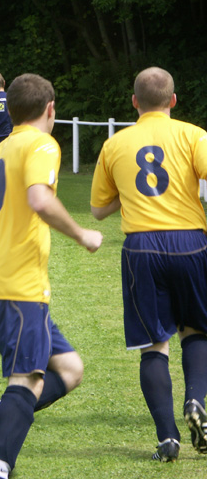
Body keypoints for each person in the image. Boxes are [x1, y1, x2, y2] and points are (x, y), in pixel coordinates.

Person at [0, 73, 102, 479]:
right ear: (50, 109)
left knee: (69, 369)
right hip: (18, 284)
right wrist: (82, 234)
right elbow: (39, 199)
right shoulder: (42, 144)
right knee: (28, 379)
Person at [90, 66, 207, 463]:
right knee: (197, 330)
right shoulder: (193, 135)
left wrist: (129, 195)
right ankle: (195, 400)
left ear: (134, 102)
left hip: (141, 246)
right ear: (173, 100)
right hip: (191, 241)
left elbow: (98, 209)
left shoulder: (115, 144)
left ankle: (167, 439)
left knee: (153, 345)